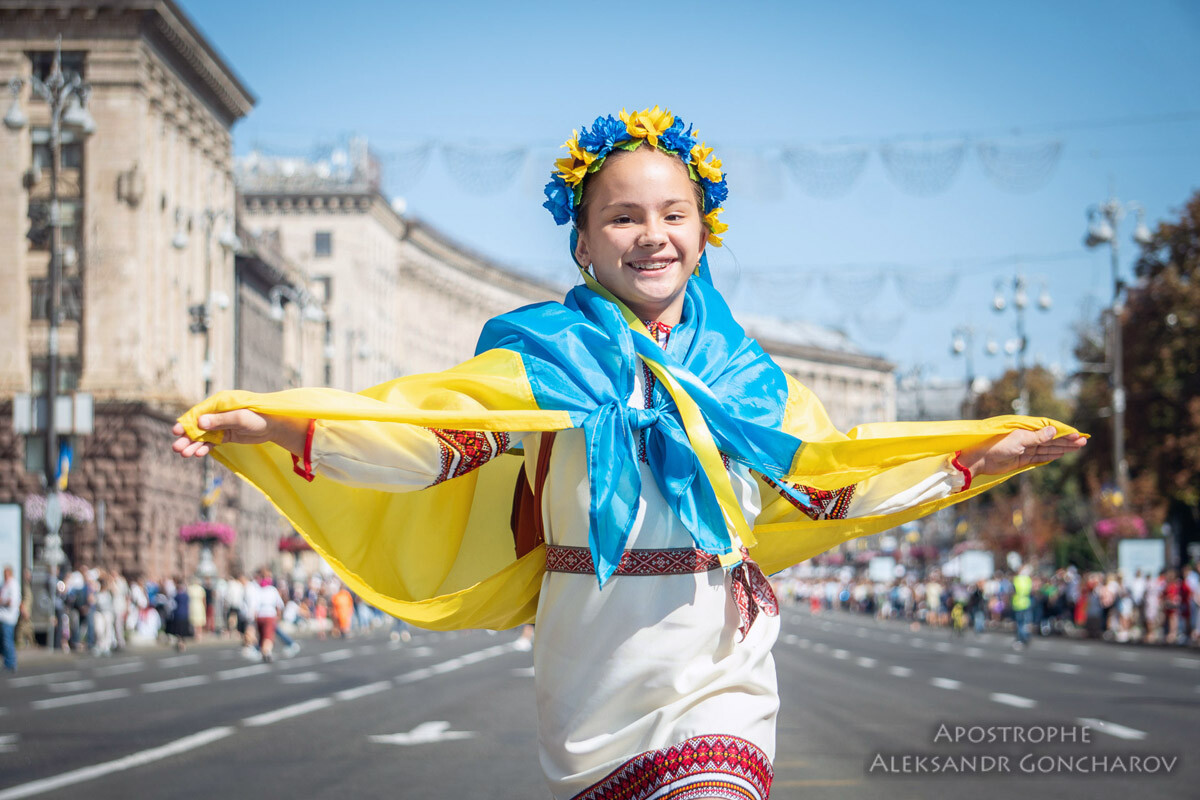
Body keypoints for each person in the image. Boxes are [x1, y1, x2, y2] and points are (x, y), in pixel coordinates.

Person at [171, 107, 1086, 800]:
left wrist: (972, 460)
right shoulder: (538, 363)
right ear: (582, 242)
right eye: (622, 217)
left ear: (702, 232)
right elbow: (425, 444)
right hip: (592, 678)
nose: (652, 234)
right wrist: (279, 429)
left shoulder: (750, 378)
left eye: (674, 213)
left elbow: (828, 481)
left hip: (721, 668)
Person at [1, 565, 20, 672]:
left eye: (6, 573)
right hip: (3, 617)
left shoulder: (13, 584)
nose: (4, 576)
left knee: (7, 641)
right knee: (4, 641)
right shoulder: (5, 584)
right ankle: (7, 661)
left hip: (9, 617)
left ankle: (10, 663)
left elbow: (11, 601)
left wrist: (2, 600)